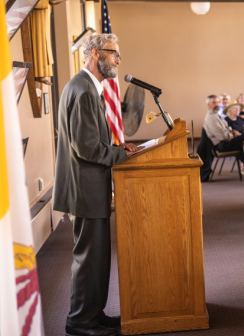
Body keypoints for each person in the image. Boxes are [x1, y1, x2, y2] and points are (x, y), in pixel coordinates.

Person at [53, 33, 141, 336]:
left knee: (97, 257)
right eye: (113, 53)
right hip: (85, 189)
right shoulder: (83, 90)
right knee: (89, 259)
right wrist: (121, 154)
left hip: (89, 187)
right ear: (93, 54)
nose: (118, 59)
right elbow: (87, 147)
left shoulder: (86, 87)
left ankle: (94, 313)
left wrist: (118, 148)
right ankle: (79, 322)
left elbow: (89, 140)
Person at [203, 96, 244, 167]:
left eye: (218, 102)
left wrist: (232, 131)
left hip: (226, 142)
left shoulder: (216, 115)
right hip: (222, 145)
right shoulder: (211, 119)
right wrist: (234, 134)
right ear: (208, 105)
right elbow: (224, 137)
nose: (217, 104)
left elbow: (227, 129)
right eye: (214, 102)